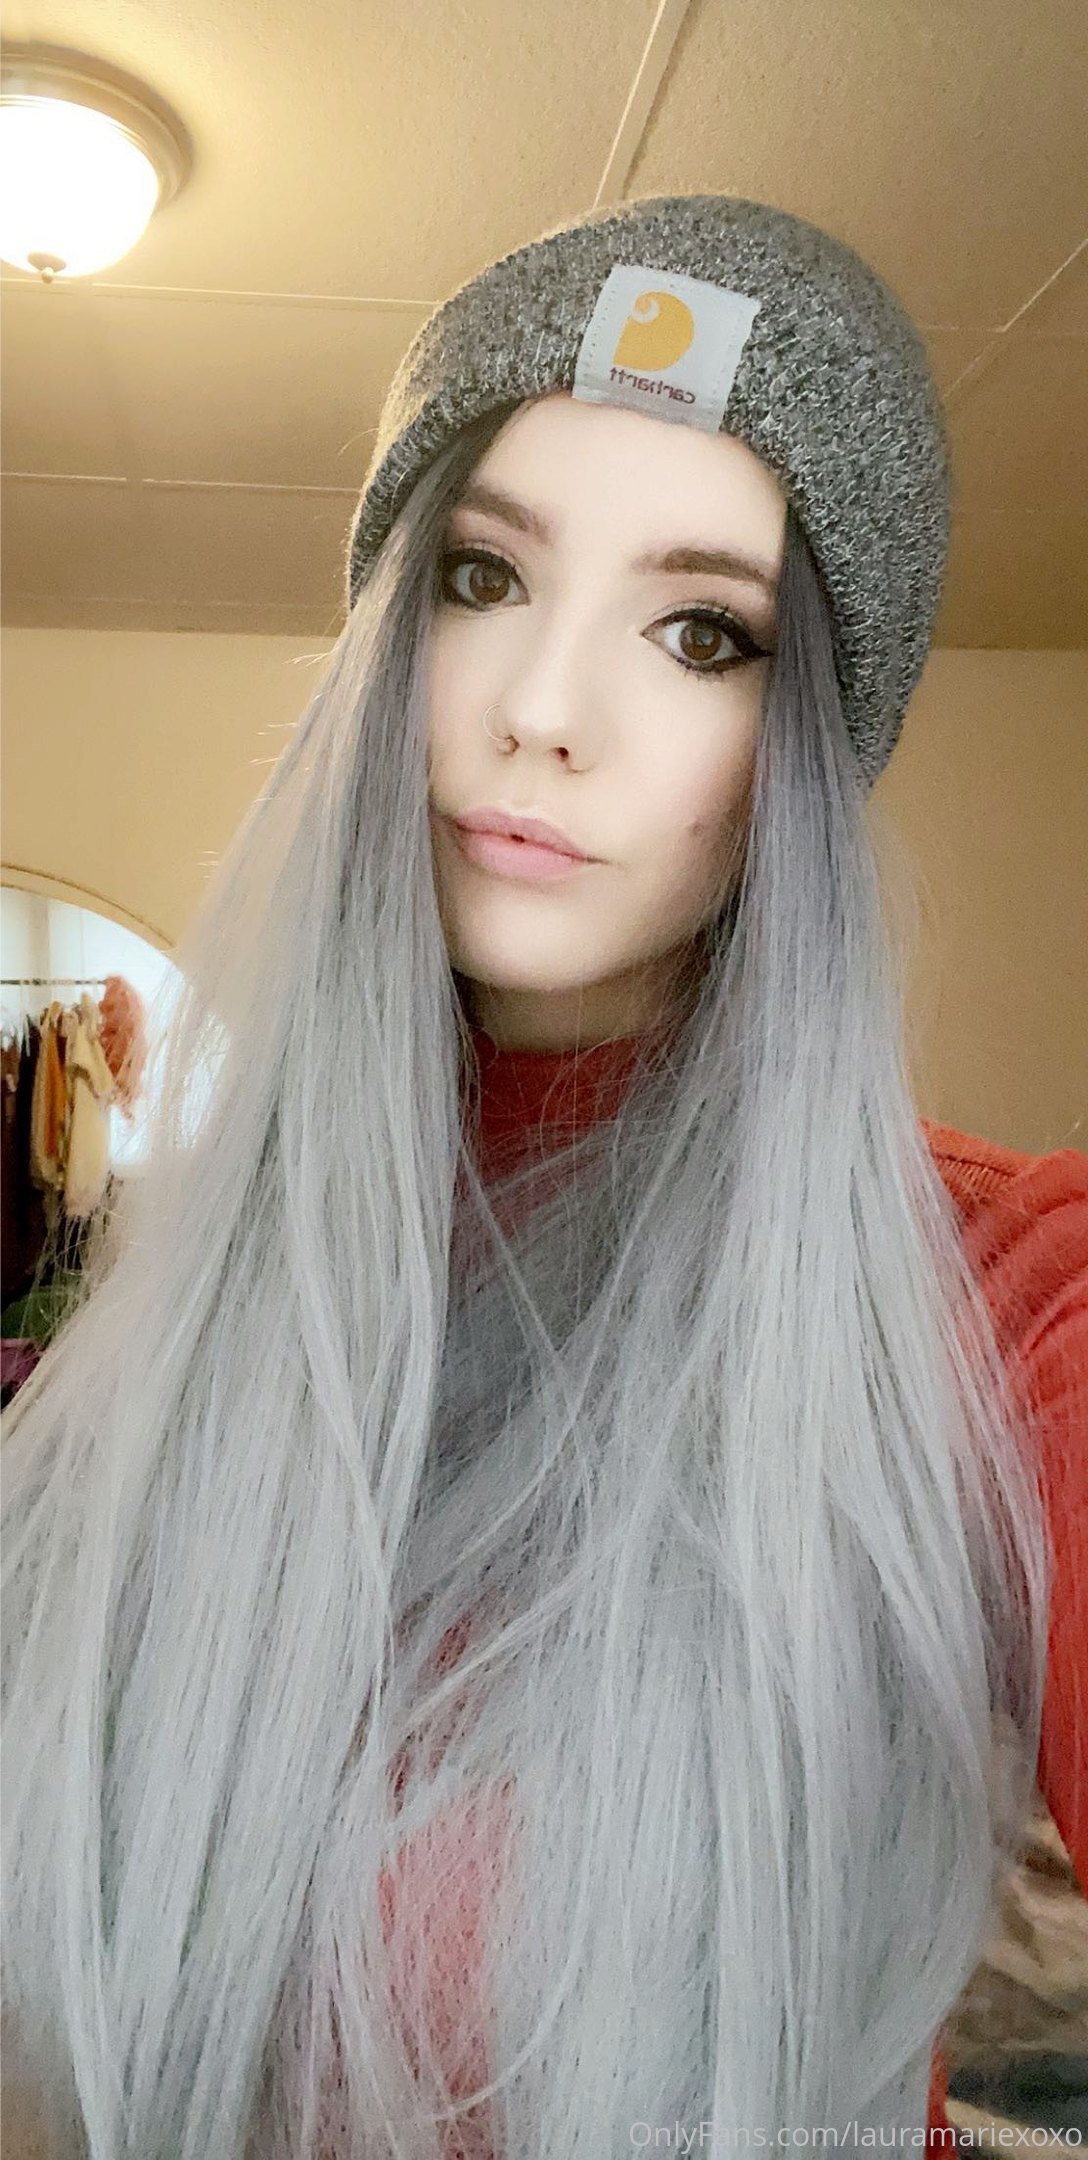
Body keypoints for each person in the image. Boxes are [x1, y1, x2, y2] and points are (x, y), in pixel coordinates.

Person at [2, 193, 1085, 2160]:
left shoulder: (995, 1286)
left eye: (701, 631)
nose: (542, 709)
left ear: (802, 752)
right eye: (484, 579)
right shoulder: (214, 1262)